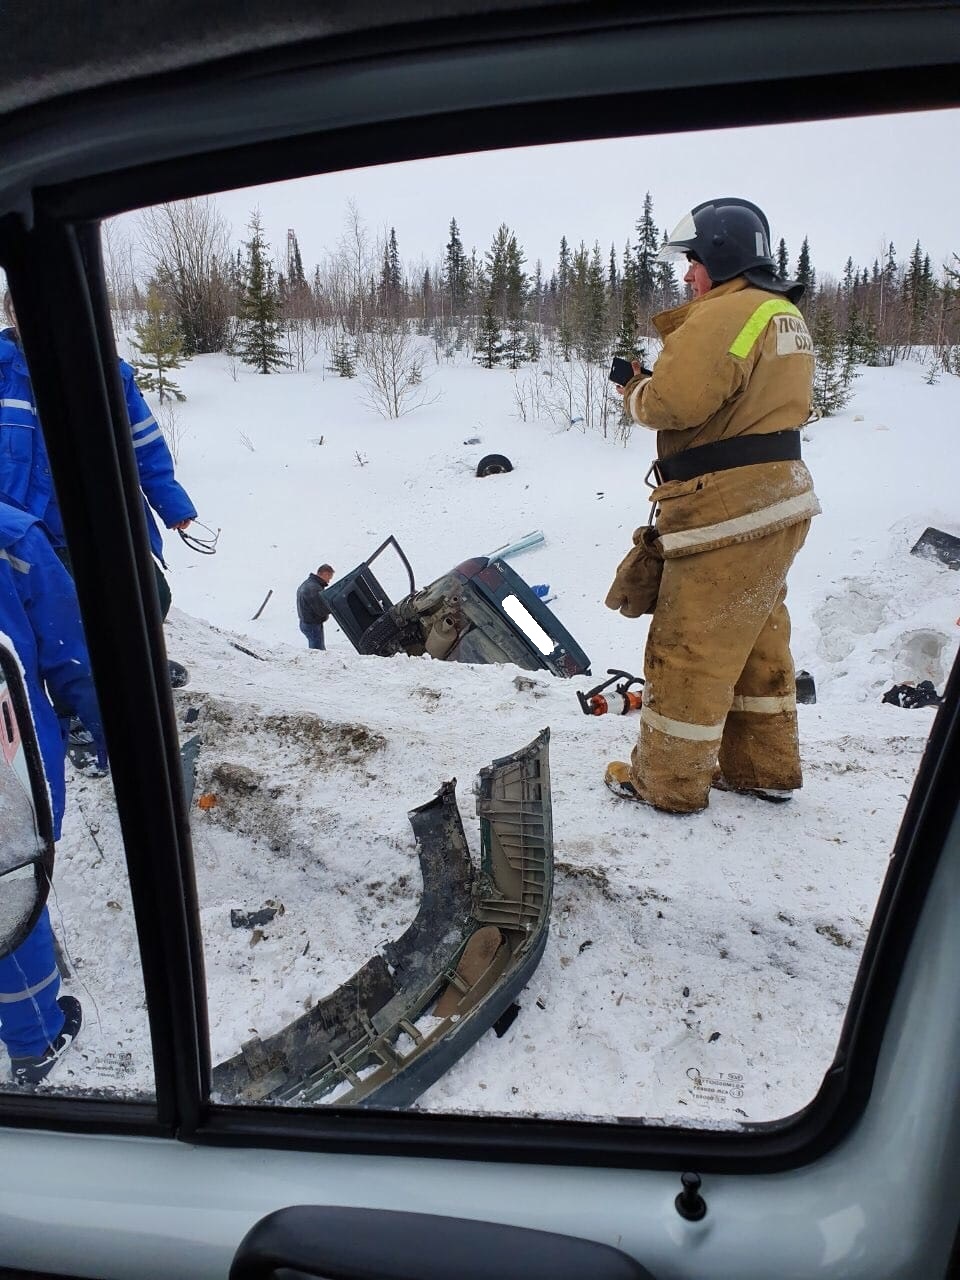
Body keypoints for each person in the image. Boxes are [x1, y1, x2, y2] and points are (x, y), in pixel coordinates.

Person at [603, 198, 820, 814]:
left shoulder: (726, 312)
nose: (687, 275)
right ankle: (762, 769)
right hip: (775, 503)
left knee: (689, 644)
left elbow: (674, 404)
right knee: (755, 638)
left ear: (721, 256)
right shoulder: (781, 313)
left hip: (726, 508)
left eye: (693, 260)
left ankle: (666, 783)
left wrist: (635, 389)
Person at [0, 289, 197, 623]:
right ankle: (85, 673)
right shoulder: (4, 374)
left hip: (103, 518)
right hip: (27, 526)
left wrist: (171, 502)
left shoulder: (107, 375)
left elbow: (144, 443)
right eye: (22, 311)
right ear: (13, 317)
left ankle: (124, 669)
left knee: (152, 597)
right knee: (58, 612)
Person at [0, 498, 106, 1084]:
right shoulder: (14, 538)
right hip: (9, 771)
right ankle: (35, 1039)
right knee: (11, 891)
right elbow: (75, 661)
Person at [296, 564, 334, 649]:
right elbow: (321, 609)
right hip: (312, 624)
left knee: (317, 650)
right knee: (317, 652)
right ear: (325, 574)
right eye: (329, 578)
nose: (328, 581)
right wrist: (333, 607)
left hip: (306, 622)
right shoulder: (314, 588)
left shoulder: (309, 583)